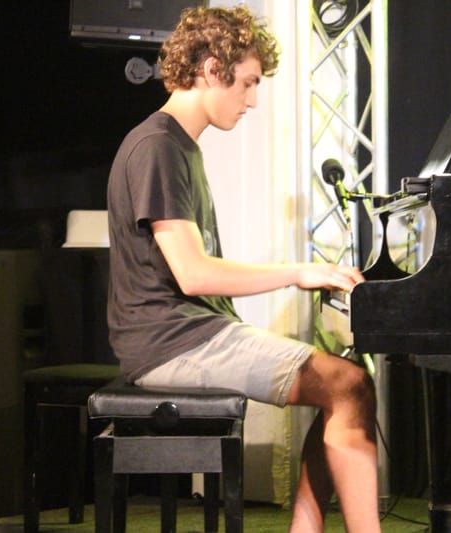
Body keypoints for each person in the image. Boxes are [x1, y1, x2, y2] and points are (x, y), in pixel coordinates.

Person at [106, 5, 380, 532]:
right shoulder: (158, 147)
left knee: (346, 385)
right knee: (348, 385)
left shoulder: (178, 146)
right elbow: (194, 275)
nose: (252, 100)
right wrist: (298, 272)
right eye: (248, 83)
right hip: (171, 343)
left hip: (187, 334)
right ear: (213, 70)